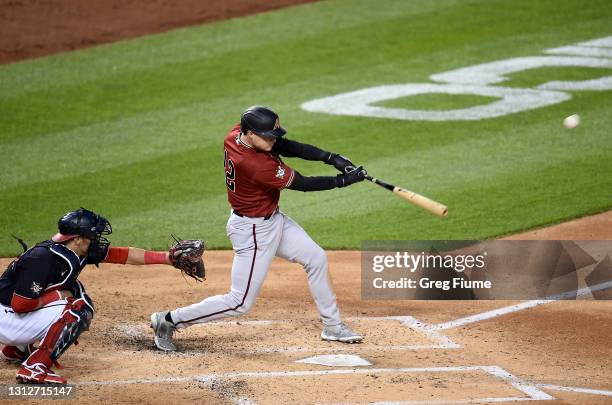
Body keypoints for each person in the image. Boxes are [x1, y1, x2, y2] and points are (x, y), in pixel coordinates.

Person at [150, 106, 367, 352]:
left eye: (272, 134)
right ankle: (168, 320)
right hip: (253, 231)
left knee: (315, 258)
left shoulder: (235, 135)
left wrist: (330, 157)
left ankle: (333, 326)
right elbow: (304, 184)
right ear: (250, 133)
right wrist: (343, 181)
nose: (272, 139)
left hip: (272, 220)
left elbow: (285, 145)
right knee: (239, 302)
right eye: (266, 135)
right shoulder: (255, 165)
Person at [0, 208, 200, 384]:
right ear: (77, 238)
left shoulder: (75, 250)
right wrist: (58, 295)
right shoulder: (43, 258)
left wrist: (167, 258)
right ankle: (35, 368)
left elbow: (123, 255)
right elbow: (20, 304)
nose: (97, 240)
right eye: (93, 236)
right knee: (78, 307)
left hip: (10, 315)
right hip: (6, 317)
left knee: (75, 289)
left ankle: (16, 349)